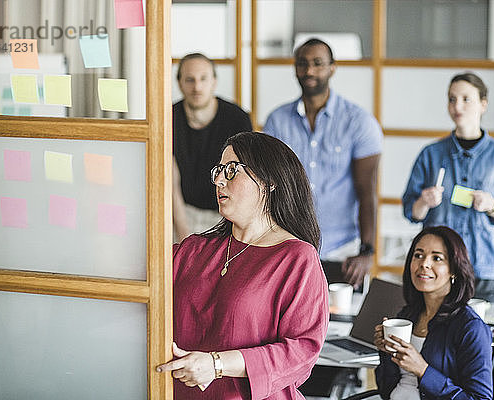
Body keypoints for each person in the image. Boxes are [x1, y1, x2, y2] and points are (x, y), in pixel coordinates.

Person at [156, 132, 329, 399]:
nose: (219, 180)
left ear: (269, 181)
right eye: (218, 171)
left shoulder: (297, 258)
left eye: (232, 170)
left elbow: (302, 352)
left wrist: (217, 365)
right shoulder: (194, 250)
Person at [264, 38, 383, 289]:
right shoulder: (277, 121)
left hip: (343, 251)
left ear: (332, 68)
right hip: (291, 245)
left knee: (343, 326)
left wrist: (367, 251)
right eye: (302, 64)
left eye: (318, 63)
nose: (309, 71)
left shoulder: (358, 122)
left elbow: (367, 191)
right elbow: (267, 188)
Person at [402, 72, 494, 302]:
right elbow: (411, 212)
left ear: (483, 104)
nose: (457, 105)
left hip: (486, 270)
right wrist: (423, 202)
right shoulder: (431, 154)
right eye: (452, 99)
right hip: (440, 272)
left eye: (466, 99)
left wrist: (492, 206)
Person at [373, 226, 493, 400]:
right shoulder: (406, 316)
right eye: (418, 255)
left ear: (454, 269)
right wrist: (385, 352)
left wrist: (423, 370)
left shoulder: (470, 327)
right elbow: (386, 389)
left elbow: (480, 398)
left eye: (437, 258)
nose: (424, 264)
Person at [173, 53, 252, 241]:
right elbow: (169, 181)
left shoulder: (237, 119)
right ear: (179, 83)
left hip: (226, 214)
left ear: (214, 82)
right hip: (181, 212)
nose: (197, 87)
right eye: (189, 80)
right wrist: (183, 232)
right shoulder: (169, 117)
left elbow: (245, 178)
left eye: (203, 79)